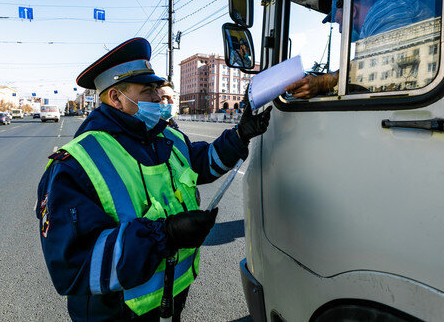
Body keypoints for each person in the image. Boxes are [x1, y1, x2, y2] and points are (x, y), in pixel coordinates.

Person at [36, 37, 272, 321]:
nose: (160, 99)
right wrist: (164, 235)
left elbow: (202, 163)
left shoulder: (167, 136)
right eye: (148, 91)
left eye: (158, 90)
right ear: (116, 98)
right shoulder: (76, 162)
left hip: (170, 300)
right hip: (117, 313)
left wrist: (239, 135)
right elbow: (74, 264)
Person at [287, 0, 433, 99]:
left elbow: (383, 66)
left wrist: (323, 82)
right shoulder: (377, 21)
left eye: (339, 22)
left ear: (352, 11)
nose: (340, 30)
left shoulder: (384, 9)